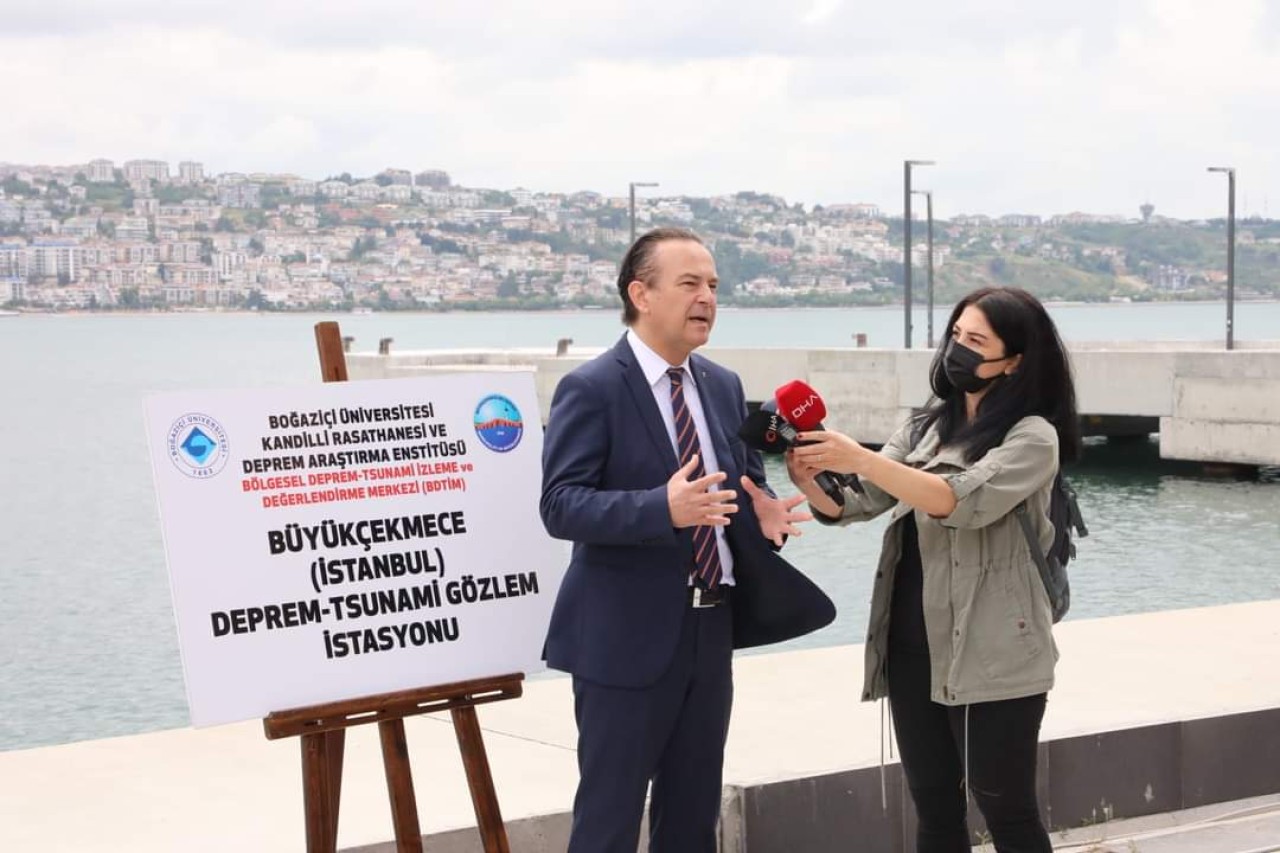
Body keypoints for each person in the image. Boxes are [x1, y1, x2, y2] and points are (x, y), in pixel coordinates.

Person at [540, 227, 817, 853]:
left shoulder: (719, 383)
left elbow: (744, 476)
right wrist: (659, 508)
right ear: (641, 293)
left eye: (714, 286)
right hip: (622, 639)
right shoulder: (592, 388)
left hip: (710, 629)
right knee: (608, 822)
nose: (707, 298)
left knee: (693, 819)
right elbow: (560, 505)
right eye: (690, 283)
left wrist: (763, 510)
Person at [787, 286, 1081, 853]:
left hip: (995, 650)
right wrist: (810, 474)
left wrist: (860, 457)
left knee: (1009, 814)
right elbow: (857, 500)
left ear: (1013, 360)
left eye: (976, 341)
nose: (958, 351)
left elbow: (958, 500)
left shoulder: (1032, 437)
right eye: (955, 335)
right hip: (911, 644)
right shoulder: (926, 426)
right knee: (935, 810)